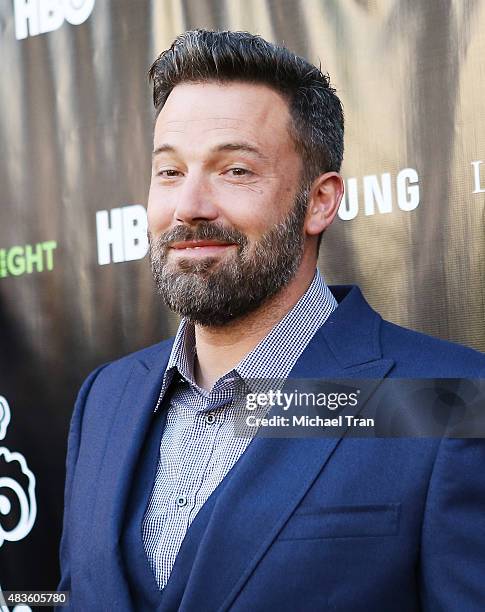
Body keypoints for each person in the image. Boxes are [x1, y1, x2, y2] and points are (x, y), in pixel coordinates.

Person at [58, 29, 485, 611]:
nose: (190, 206)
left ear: (319, 201)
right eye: (169, 172)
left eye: (235, 171)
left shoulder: (447, 398)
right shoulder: (105, 399)